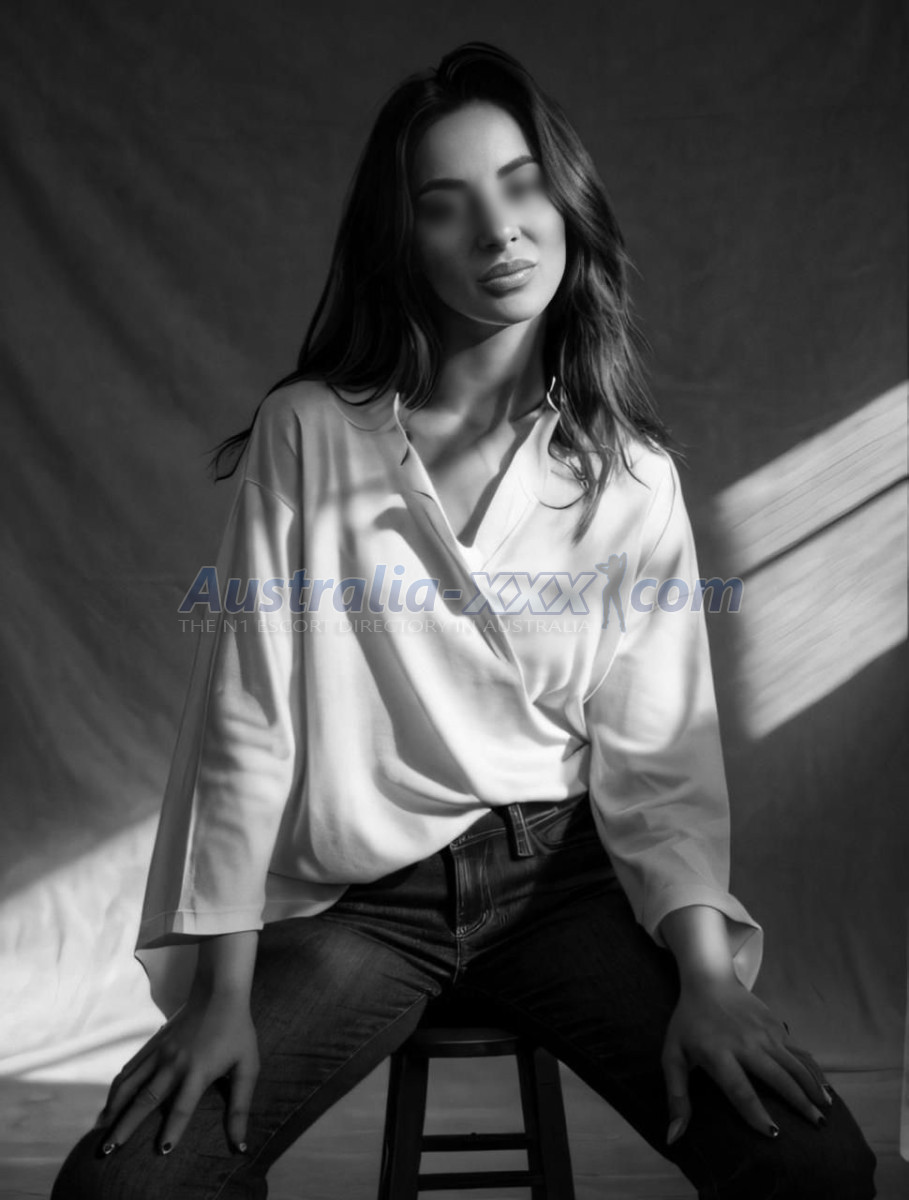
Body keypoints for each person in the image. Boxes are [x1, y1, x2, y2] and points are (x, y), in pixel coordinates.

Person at [51, 41, 877, 1200]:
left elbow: (659, 762)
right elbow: (250, 725)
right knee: (125, 1190)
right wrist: (224, 996)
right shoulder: (312, 435)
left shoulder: (630, 476)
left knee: (821, 1169)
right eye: (447, 206)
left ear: (566, 200)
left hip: (564, 889)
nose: (498, 231)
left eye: (521, 183)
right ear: (405, 243)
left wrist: (705, 979)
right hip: (363, 909)